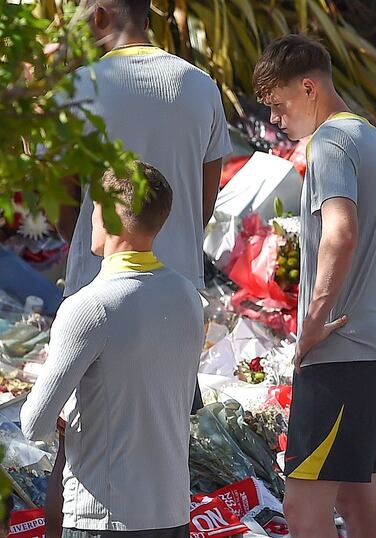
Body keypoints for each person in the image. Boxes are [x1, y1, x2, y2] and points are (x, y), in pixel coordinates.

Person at [50, 2, 231, 533]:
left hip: (96, 292)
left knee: (75, 453)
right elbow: (202, 206)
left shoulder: (78, 88)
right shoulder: (200, 87)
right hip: (176, 297)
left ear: (100, 15)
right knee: (169, 442)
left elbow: (65, 215)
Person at [251, 35, 376, 538]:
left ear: (308, 87)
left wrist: (312, 325)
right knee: (356, 499)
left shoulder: (331, 143)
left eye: (278, 105)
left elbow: (341, 232)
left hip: (341, 351)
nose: (276, 120)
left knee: (302, 507)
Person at [20, 161, 204, 538]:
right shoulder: (188, 296)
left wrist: (65, 407)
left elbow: (34, 424)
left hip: (103, 514)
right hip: (171, 510)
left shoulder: (90, 307)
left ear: (107, 215)